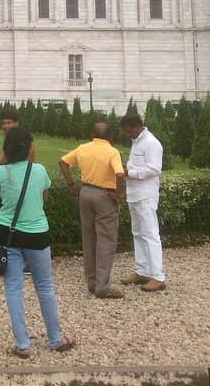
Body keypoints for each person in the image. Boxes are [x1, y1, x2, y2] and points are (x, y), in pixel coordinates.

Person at [0, 127, 74, 358]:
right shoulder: (39, 170)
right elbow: (44, 197)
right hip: (37, 234)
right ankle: (55, 338)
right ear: (29, 147)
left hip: (8, 234)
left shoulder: (2, 172)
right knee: (45, 287)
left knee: (13, 288)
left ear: (7, 149)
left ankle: (22, 344)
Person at [59, 122, 126, 298]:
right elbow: (120, 174)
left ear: (92, 134)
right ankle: (102, 286)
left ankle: (91, 282)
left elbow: (63, 162)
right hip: (104, 195)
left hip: (86, 192)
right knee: (106, 240)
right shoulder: (112, 152)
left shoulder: (82, 148)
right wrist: (118, 195)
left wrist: (72, 185)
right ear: (111, 136)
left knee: (88, 237)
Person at [120, 115, 166, 291]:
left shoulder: (151, 143)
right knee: (138, 233)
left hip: (146, 195)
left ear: (136, 127)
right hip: (134, 194)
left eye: (128, 131)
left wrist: (129, 173)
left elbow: (154, 169)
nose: (127, 134)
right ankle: (142, 271)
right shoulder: (137, 142)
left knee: (150, 234)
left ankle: (158, 276)